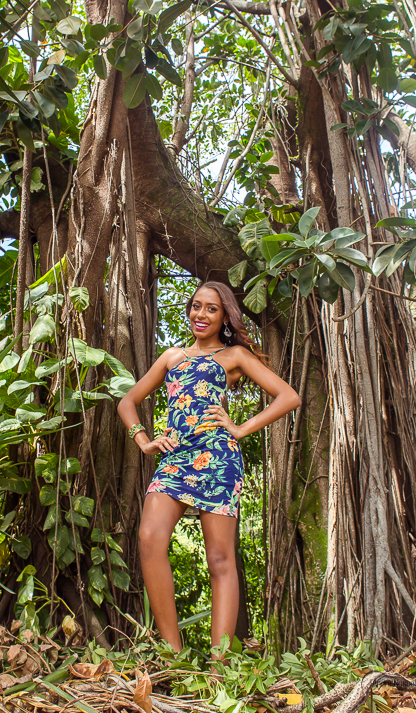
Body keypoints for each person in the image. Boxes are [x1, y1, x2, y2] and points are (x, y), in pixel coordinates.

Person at [117, 281, 301, 660]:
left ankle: (219, 666)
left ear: (224, 316)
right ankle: (173, 654)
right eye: (196, 306)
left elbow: (289, 396)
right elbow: (128, 401)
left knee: (220, 558)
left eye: (211, 309)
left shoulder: (234, 356)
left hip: (218, 458)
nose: (201, 315)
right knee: (149, 539)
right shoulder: (171, 357)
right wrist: (143, 439)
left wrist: (240, 428)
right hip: (174, 459)